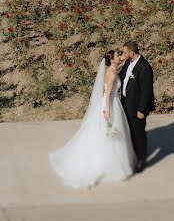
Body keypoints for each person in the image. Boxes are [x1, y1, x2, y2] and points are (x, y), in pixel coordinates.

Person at [48, 49, 135, 187]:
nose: (120, 57)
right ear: (112, 60)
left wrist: (125, 55)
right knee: (110, 133)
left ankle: (114, 161)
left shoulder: (111, 70)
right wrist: (107, 110)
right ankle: (110, 164)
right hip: (110, 104)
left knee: (106, 134)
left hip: (110, 102)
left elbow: (104, 90)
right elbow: (107, 94)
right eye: (118, 56)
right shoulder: (112, 73)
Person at [119, 41, 155, 172]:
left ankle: (141, 160)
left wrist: (142, 110)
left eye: (124, 52)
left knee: (138, 134)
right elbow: (121, 77)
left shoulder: (145, 68)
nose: (123, 54)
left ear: (131, 52)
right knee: (130, 133)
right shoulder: (128, 63)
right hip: (126, 104)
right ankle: (133, 156)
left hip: (137, 109)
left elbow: (147, 91)